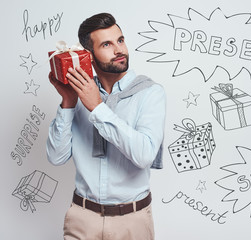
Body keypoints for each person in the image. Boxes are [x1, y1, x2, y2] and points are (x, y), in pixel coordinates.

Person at [46, 12, 166, 240]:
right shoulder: (80, 93)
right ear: (88, 55)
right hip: (82, 217)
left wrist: (98, 108)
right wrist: (68, 102)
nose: (119, 49)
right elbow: (56, 157)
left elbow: (144, 156)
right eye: (107, 44)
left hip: (133, 220)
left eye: (120, 40)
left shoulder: (150, 93)